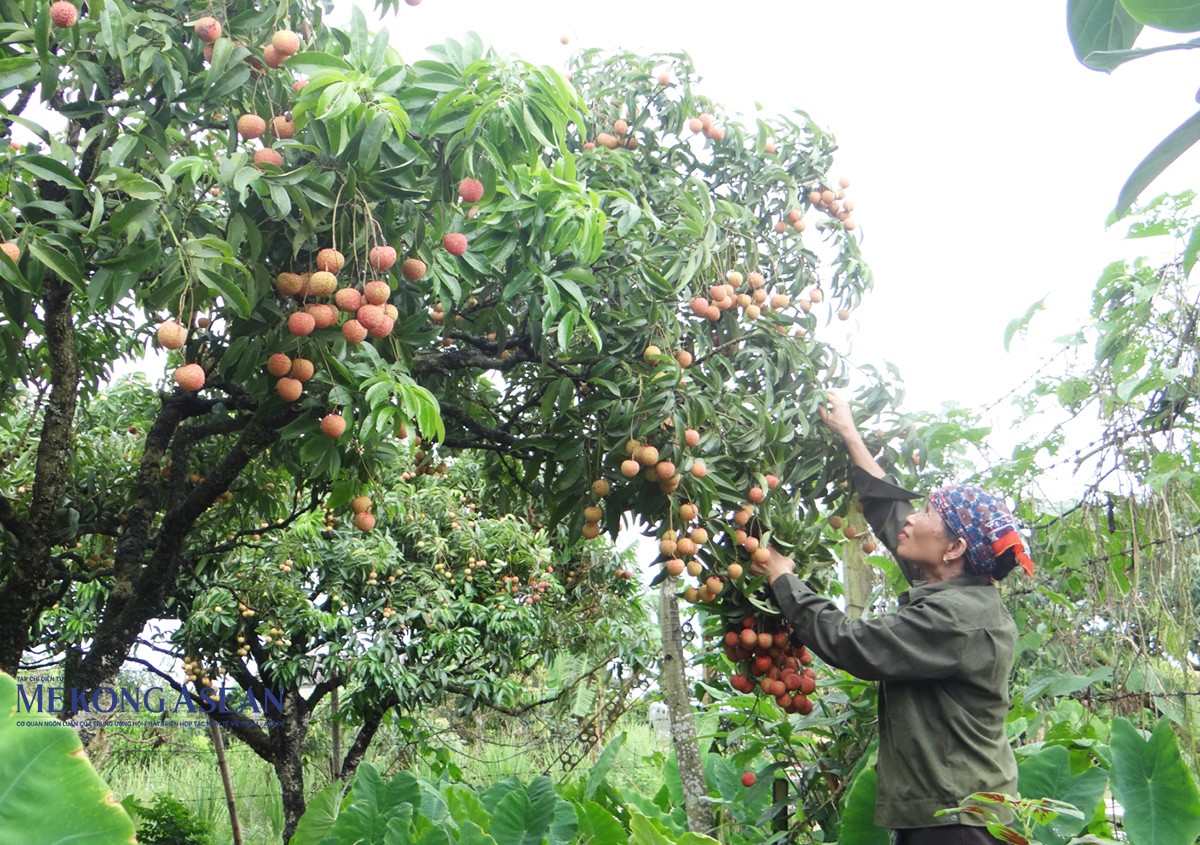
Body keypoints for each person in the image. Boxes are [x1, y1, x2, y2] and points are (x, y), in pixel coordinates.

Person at [750, 390, 1034, 845]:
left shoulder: (954, 619)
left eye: (926, 513)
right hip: (951, 812)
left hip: (957, 823)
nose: (912, 519)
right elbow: (892, 514)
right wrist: (848, 433)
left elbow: (850, 643)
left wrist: (785, 579)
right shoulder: (955, 588)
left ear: (954, 548)